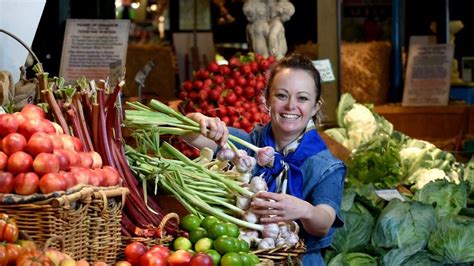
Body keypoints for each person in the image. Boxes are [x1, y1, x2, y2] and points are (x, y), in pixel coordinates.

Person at [185, 53, 345, 265]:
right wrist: (198, 120)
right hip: (242, 258)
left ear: (315, 106)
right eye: (281, 95)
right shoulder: (249, 144)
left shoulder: (327, 166)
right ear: (267, 99)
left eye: (303, 98)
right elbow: (189, 135)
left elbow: (323, 222)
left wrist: (305, 210)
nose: (290, 106)